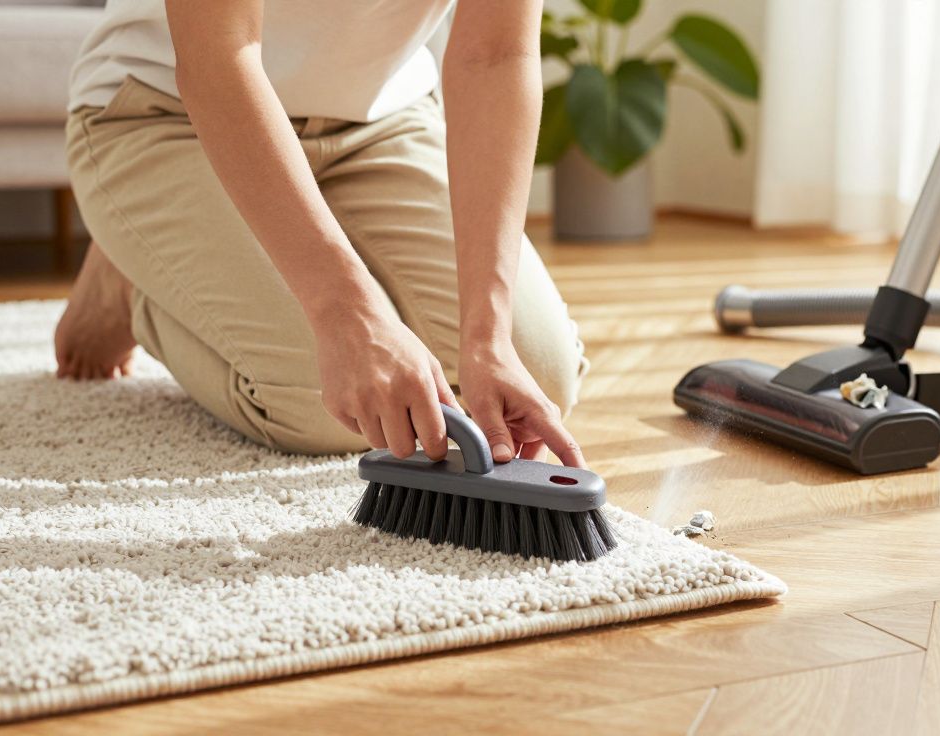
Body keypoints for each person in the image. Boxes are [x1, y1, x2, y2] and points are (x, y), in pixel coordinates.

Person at [55, 0, 588, 468]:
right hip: (169, 116)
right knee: (327, 405)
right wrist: (351, 313)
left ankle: (262, 240)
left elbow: (495, 55)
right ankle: (129, 282)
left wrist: (487, 334)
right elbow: (219, 54)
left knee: (538, 377)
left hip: (380, 126)